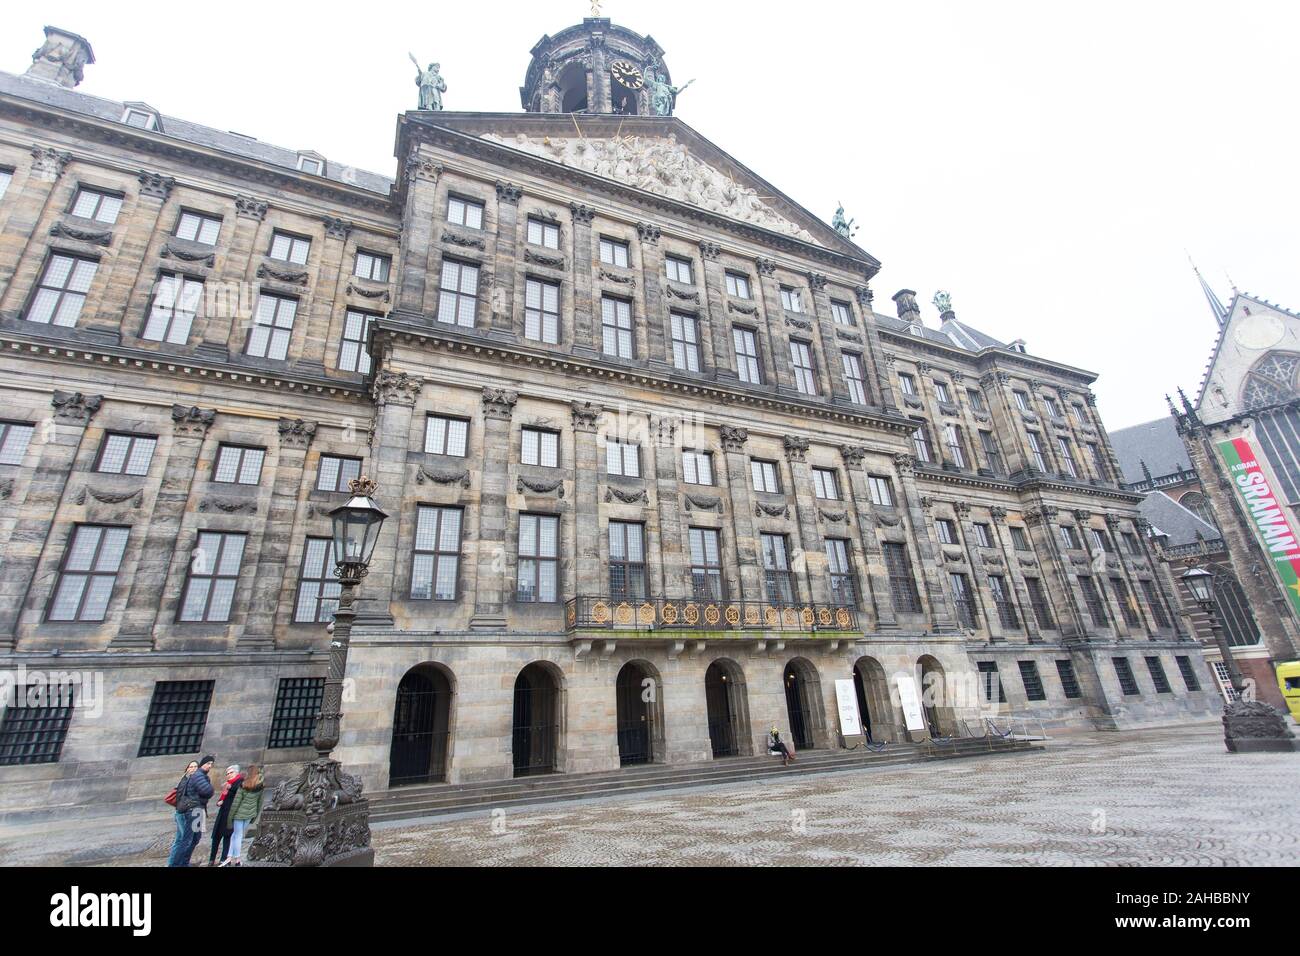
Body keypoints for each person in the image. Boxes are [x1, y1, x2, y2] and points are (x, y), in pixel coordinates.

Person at [173, 755, 215, 867]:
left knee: (195, 838)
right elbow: (208, 791)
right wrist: (211, 789)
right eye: (208, 763)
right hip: (193, 810)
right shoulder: (198, 775)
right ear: (203, 764)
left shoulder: (200, 776)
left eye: (211, 764)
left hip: (198, 810)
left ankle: (184, 863)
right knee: (186, 840)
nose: (210, 766)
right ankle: (178, 864)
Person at [224, 764, 264, 867]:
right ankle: (229, 857)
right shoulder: (260, 786)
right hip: (250, 814)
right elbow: (260, 803)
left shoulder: (243, 785)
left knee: (237, 836)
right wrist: (255, 817)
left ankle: (237, 859)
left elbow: (236, 803)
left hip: (239, 814)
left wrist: (230, 817)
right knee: (236, 835)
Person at [206, 765, 243, 866]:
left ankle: (224, 859)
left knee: (227, 836)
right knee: (216, 836)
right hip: (223, 812)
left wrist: (229, 787)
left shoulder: (240, 781)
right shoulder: (228, 784)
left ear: (236, 773)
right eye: (227, 774)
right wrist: (219, 801)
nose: (228, 775)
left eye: (231, 773)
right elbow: (223, 796)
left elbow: (237, 792)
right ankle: (211, 859)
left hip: (231, 813)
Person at [165, 760, 198, 867]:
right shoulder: (187, 780)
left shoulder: (187, 779)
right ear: (187, 769)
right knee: (184, 840)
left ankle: (174, 863)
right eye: (191, 766)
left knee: (180, 840)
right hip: (183, 813)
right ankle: (177, 864)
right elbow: (183, 798)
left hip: (181, 812)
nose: (193, 768)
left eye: (195, 767)